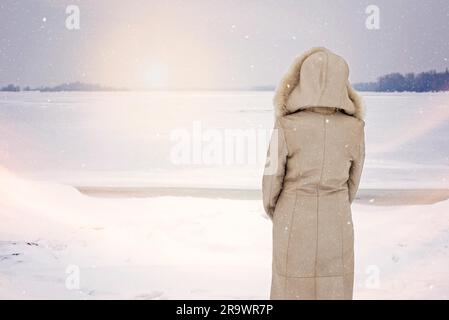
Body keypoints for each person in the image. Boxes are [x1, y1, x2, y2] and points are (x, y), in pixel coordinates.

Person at [262, 47, 365, 300]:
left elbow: (271, 179)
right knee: (334, 287)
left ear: (301, 80)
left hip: (293, 218)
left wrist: (276, 209)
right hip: (337, 219)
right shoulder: (354, 128)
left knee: (290, 287)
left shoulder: (286, 125)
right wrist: (335, 201)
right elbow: (354, 180)